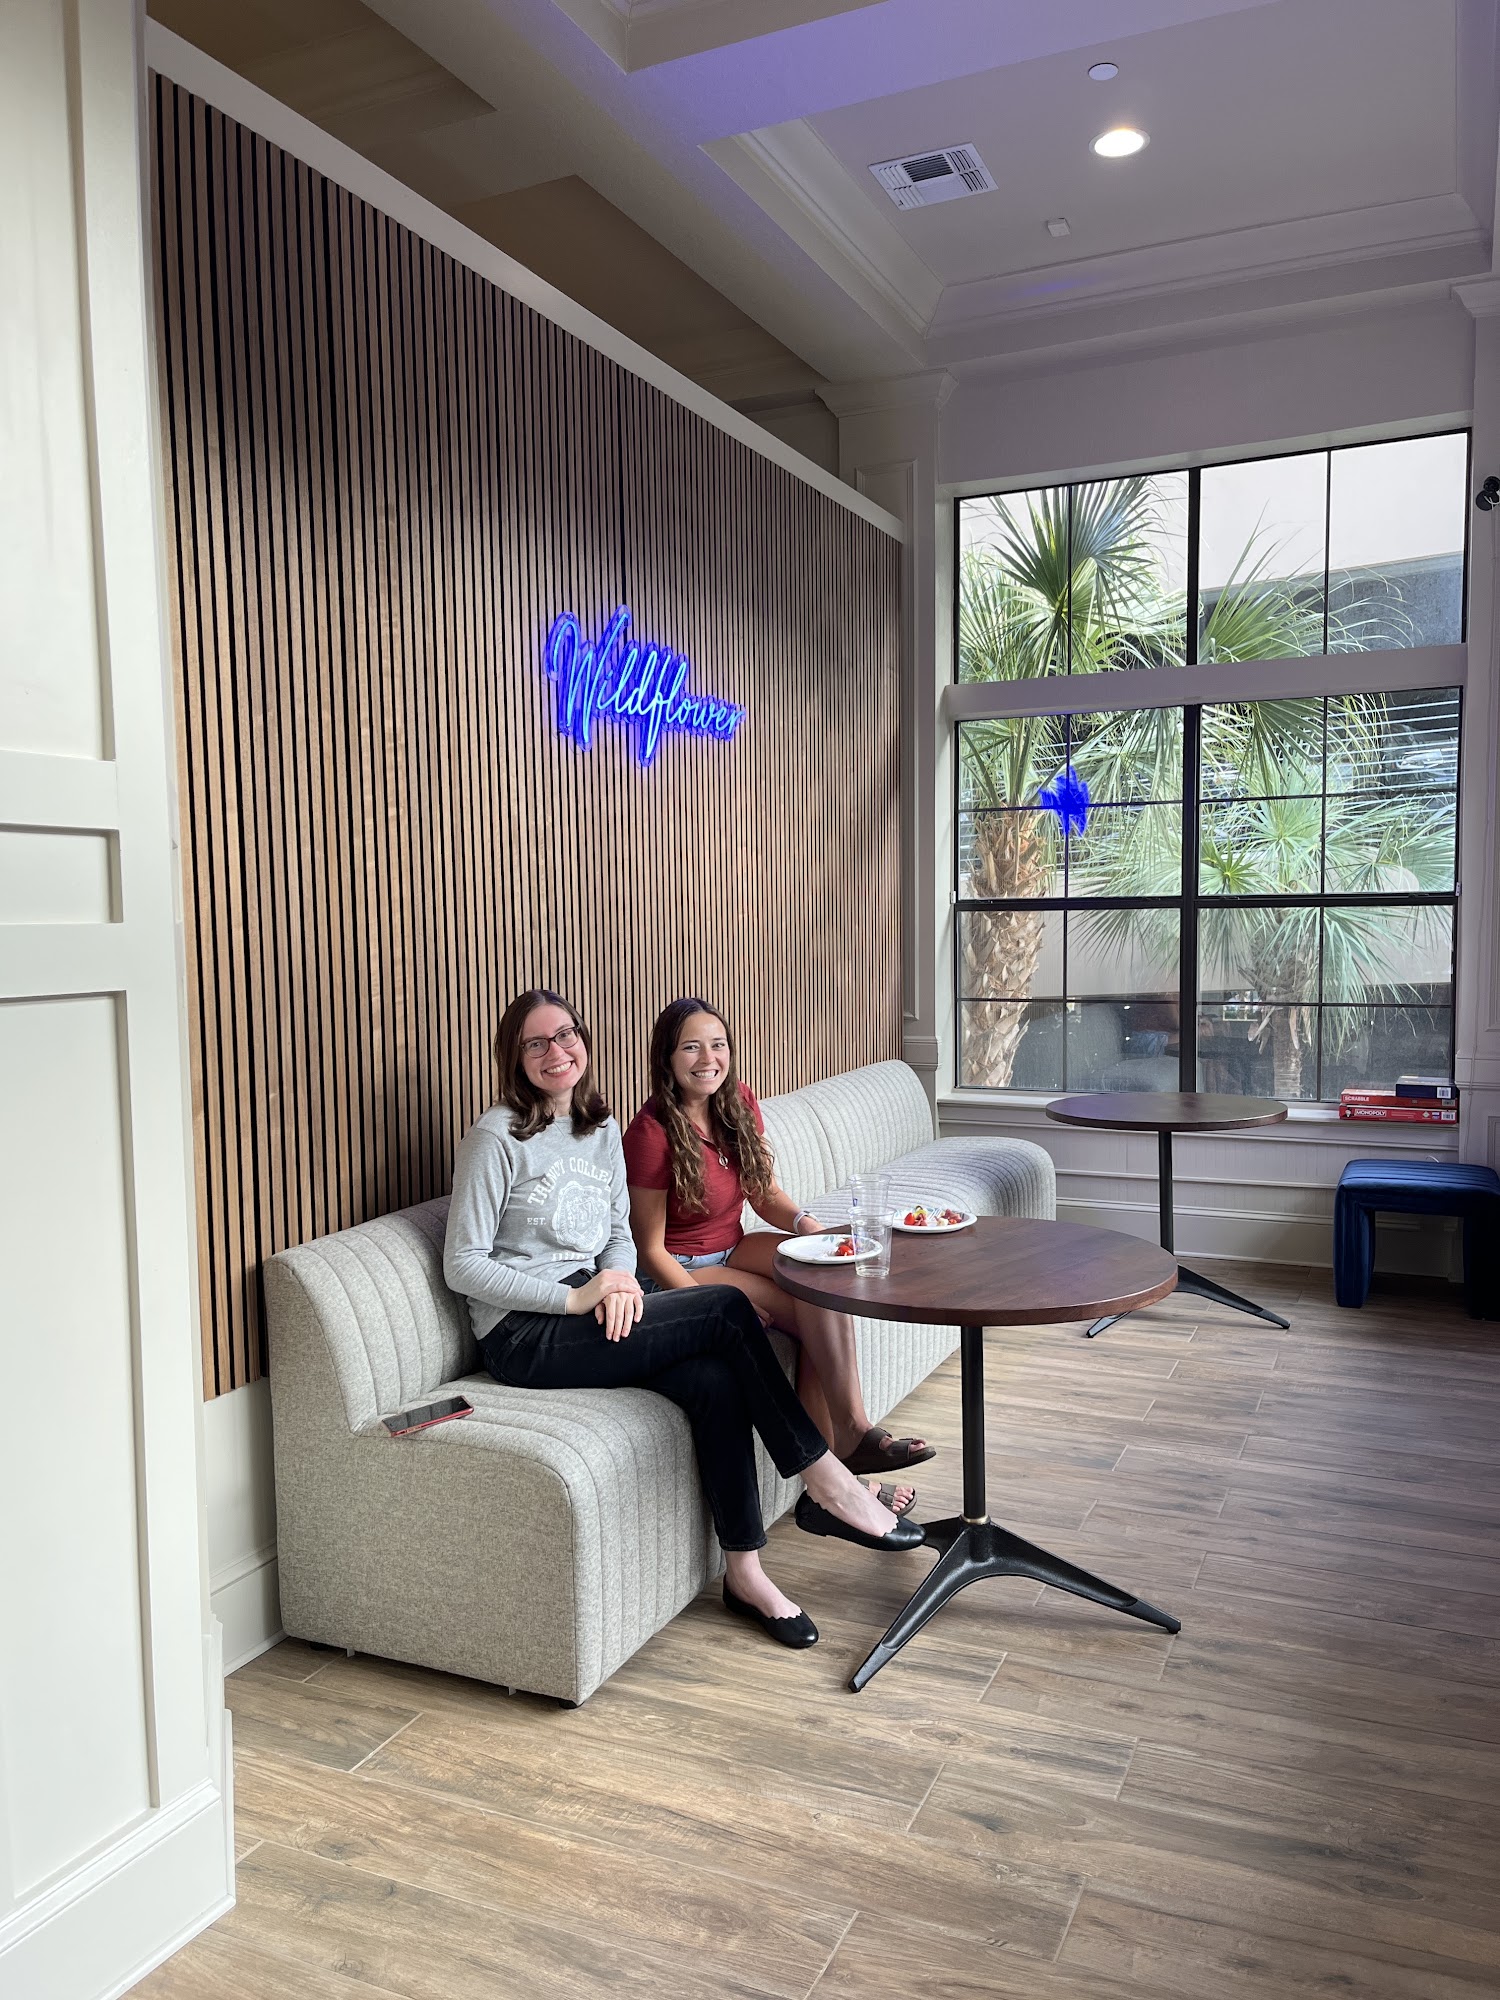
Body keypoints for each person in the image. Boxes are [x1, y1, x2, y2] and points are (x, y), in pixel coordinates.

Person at [443, 988, 923, 1651]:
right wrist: (575, 1299)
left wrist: (615, 1281)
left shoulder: (598, 1128)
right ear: (514, 1056)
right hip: (523, 1333)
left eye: (566, 1035)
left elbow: (619, 1235)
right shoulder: (494, 1137)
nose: (556, 1051)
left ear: (584, 1042)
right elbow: (463, 1264)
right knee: (726, 1308)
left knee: (713, 1380)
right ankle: (827, 1480)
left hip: (594, 1302)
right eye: (536, 1042)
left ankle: (745, 1575)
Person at [622, 997, 936, 1505]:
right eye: (691, 1048)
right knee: (808, 1311)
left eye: (718, 1045)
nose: (708, 1059)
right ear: (668, 1058)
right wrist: (714, 1308)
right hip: (677, 1268)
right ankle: (842, 1465)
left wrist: (807, 1225)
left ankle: (851, 1436)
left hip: (733, 1246)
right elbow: (649, 1249)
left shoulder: (737, 1101)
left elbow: (763, 1192)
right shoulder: (650, 1134)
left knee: (823, 1284)